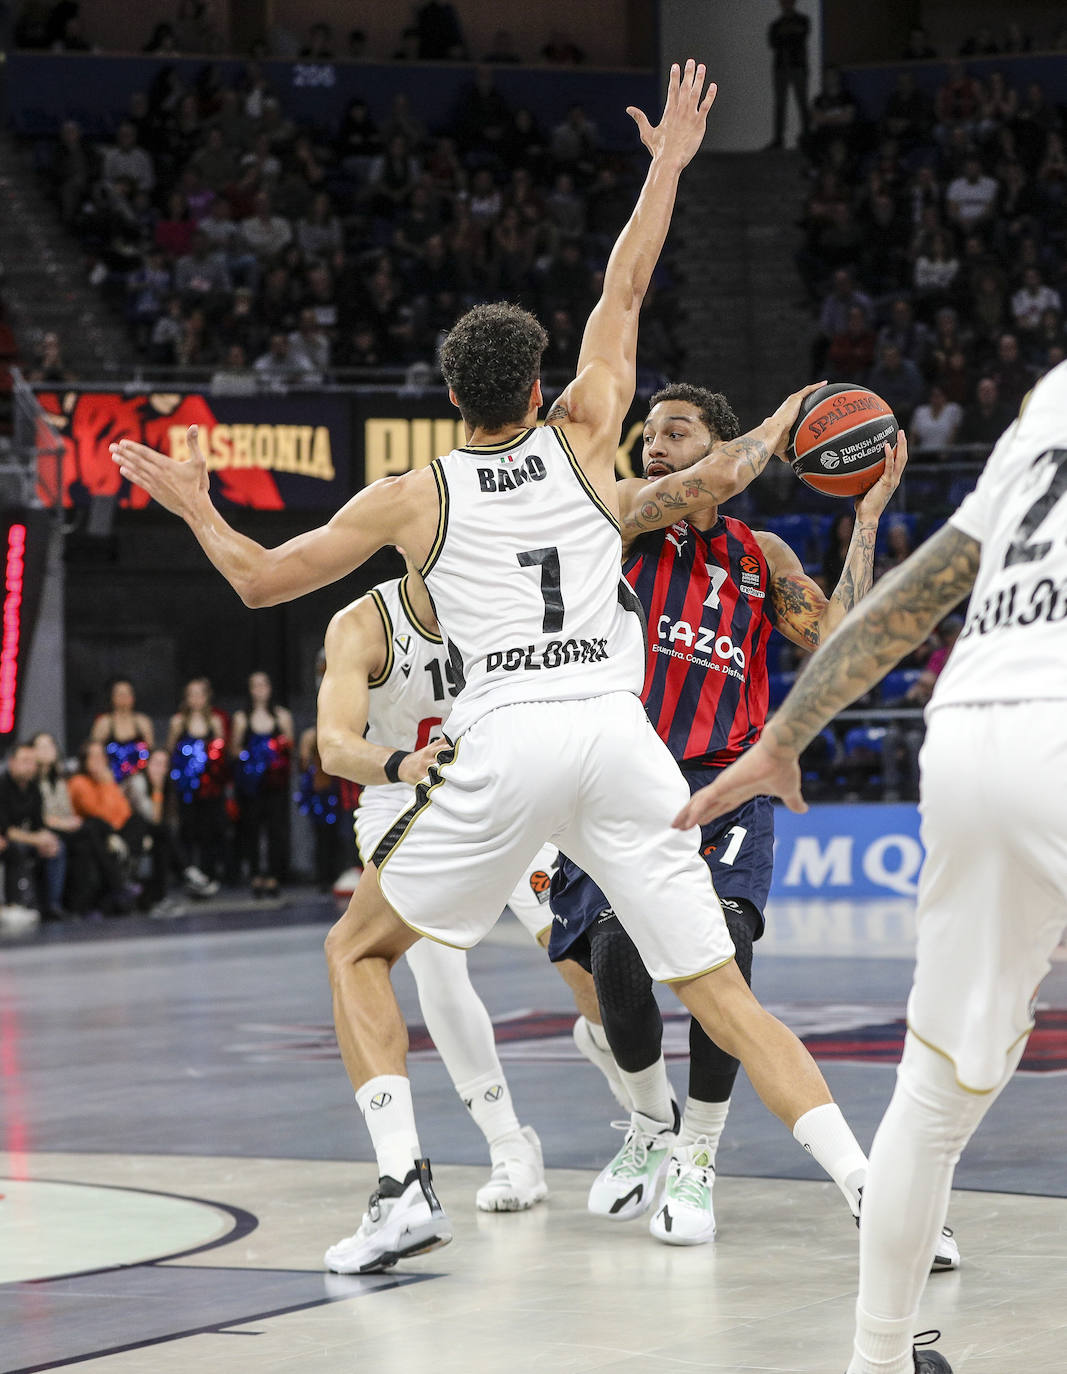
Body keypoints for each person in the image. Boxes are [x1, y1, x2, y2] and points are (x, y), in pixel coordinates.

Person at [112, 63, 880, 1281]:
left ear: (447, 402)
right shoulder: (588, 440)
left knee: (360, 953)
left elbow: (260, 581)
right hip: (618, 732)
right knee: (721, 993)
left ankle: (402, 1186)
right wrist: (667, 163)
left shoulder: (410, 495)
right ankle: (872, 1193)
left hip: (507, 733)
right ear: (540, 389)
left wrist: (204, 510)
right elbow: (626, 284)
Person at [676, 360, 1067, 1373]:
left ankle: (877, 1358)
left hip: (973, 730)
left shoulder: (1048, 397)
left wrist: (784, 733)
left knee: (930, 1097)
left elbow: (921, 589)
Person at [546, 386, 957, 1267]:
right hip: (615, 778)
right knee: (615, 964)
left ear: (722, 444)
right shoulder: (612, 519)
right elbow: (690, 486)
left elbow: (842, 644)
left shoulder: (759, 553)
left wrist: (865, 515)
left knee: (722, 962)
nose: (653, 444)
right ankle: (649, 1117)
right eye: (647, 432)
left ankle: (696, 1150)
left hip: (722, 779)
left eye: (676, 431)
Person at [316, 555, 622, 1211]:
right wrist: (401, 763)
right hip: (399, 798)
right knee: (436, 968)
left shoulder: (506, 604)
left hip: (504, 791)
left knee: (583, 957)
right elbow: (334, 748)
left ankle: (639, 1093)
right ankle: (510, 1147)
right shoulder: (364, 623)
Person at [231, 671, 293, 896]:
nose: (259, 690)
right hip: (251, 783)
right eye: (254, 685)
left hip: (275, 782)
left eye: (263, 685)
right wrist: (253, 756)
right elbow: (234, 749)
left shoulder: (281, 716)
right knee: (251, 829)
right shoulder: (241, 717)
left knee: (276, 829)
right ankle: (256, 874)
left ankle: (275, 875)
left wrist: (273, 755)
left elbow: (289, 747)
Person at [166, 677, 229, 885]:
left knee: (211, 829)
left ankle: (209, 872)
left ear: (206, 697)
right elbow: (170, 752)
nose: (195, 698)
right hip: (186, 787)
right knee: (188, 829)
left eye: (199, 694)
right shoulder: (178, 722)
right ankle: (189, 874)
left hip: (211, 786)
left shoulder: (214, 721)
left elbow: (221, 752)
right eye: (191, 694)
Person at [0, 740, 65, 917]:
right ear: (11, 762)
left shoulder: (34, 788)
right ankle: (17, 903)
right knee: (15, 849)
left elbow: (38, 824)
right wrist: (36, 839)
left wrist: (46, 840)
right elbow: (5, 830)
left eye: (32, 762)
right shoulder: (3, 786)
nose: (30, 766)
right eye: (25, 761)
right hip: (9, 840)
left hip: (23, 838)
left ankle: (52, 905)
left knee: (56, 847)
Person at [90, 677, 155, 782]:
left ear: (133, 697)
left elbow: (151, 753)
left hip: (139, 777)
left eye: (127, 694)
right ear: (112, 697)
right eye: (119, 694)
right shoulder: (104, 722)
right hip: (110, 777)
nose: (123, 698)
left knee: (138, 783)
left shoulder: (142, 722)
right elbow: (93, 754)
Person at [767, 0, 811, 150]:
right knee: (781, 104)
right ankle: (778, 139)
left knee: (802, 102)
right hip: (782, 67)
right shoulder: (777, 24)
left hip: (797, 66)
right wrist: (790, 32)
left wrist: (786, 33)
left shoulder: (802, 20)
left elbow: (799, 37)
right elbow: (773, 42)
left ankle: (807, 136)